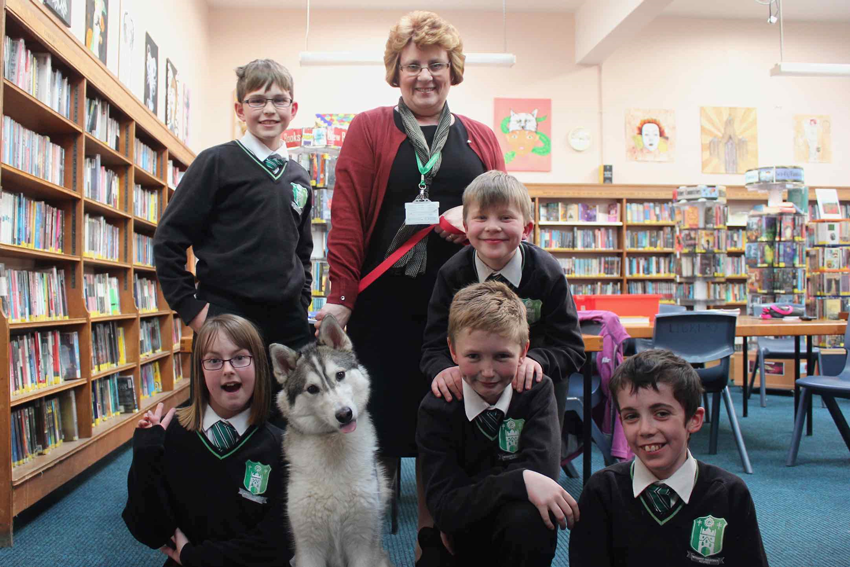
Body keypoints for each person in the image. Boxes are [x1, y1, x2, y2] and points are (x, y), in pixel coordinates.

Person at [314, 10, 505, 550]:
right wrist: (340, 297)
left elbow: (501, 211)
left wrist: (467, 225)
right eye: (413, 65)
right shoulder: (369, 127)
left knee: (450, 412)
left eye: (437, 65)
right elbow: (348, 215)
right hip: (386, 302)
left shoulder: (482, 137)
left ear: (454, 71)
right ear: (396, 71)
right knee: (383, 412)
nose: (425, 75)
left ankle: (440, 530)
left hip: (461, 303)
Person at [153, 59, 313, 426]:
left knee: (289, 420)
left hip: (288, 322)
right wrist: (194, 311)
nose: (269, 110)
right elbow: (168, 240)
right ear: (240, 109)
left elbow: (301, 251)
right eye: (257, 101)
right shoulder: (217, 162)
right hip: (227, 315)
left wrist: (301, 299)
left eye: (279, 100)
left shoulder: (299, 175)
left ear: (294, 109)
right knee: (223, 419)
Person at [416, 281, 579, 567]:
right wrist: (520, 479)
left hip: (515, 531)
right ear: (453, 352)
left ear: (524, 350)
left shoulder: (537, 392)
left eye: (502, 356)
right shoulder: (437, 406)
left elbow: (543, 476)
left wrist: (485, 490)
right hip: (457, 538)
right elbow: (444, 509)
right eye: (473, 356)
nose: (488, 372)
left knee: (532, 518)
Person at [569, 349, 769, 566]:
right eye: (631, 416)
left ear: (694, 419)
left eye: (661, 413)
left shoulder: (729, 494)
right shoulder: (602, 491)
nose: (645, 429)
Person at [122, 314, 291, 567]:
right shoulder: (170, 435)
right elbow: (149, 531)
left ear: (259, 365)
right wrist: (146, 456)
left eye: (240, 358)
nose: (228, 369)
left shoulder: (283, 449)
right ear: (200, 371)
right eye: (213, 360)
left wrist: (197, 559)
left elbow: (278, 543)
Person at [421, 170, 585, 405]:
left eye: (505, 218)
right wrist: (442, 369)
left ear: (526, 229)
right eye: (481, 218)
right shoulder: (452, 274)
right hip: (473, 393)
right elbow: (434, 346)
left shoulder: (547, 273)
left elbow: (571, 348)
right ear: (466, 227)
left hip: (535, 394)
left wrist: (537, 362)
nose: (493, 227)